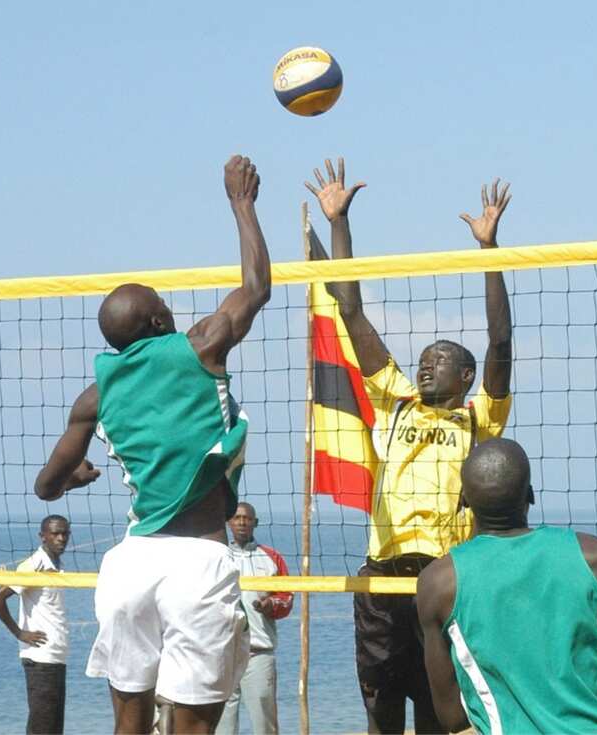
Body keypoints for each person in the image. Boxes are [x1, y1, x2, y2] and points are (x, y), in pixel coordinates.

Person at [33, 154, 271, 735]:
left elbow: (45, 488)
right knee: (193, 727)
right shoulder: (199, 346)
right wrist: (242, 203)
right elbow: (257, 287)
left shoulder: (95, 395)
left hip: (131, 564)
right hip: (197, 558)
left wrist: (76, 478)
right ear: (161, 322)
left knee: (130, 722)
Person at [306, 158, 514, 734]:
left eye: (440, 359)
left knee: (439, 710)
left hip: (445, 574)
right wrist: (339, 222)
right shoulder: (396, 400)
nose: (426, 366)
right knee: (380, 707)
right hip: (383, 575)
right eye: (423, 359)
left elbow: (500, 338)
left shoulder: (480, 417)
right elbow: (351, 310)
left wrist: (488, 252)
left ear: (466, 376)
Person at [416, 438, 597, 734]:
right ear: (529, 494)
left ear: (463, 500)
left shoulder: (438, 583)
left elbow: (451, 717)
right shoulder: (592, 555)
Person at [0, 514, 74, 735]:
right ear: (43, 536)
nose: (61, 538)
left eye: (65, 533)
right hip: (40, 658)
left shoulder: (56, 564)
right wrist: (20, 633)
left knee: (54, 728)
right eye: (55, 533)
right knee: (42, 728)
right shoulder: (34, 565)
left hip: (56, 656)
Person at [216, 502, 294, 735]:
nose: (242, 522)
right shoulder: (217, 555)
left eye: (247, 519)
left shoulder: (271, 557)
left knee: (264, 718)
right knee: (223, 721)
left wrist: (270, 605)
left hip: (258, 650)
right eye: (237, 518)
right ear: (229, 522)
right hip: (223, 651)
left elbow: (286, 598)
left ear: (255, 523)